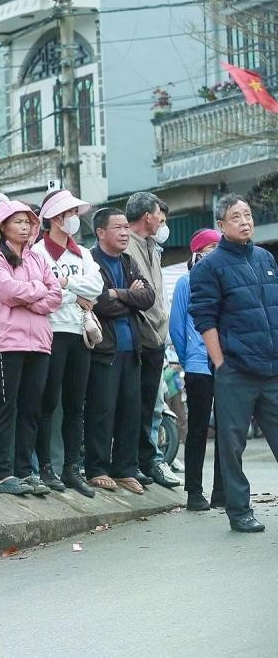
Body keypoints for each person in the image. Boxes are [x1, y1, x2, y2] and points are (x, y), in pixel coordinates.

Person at [190, 195, 278, 532]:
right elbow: (205, 318)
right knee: (232, 444)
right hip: (236, 371)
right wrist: (221, 364)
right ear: (221, 225)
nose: (245, 221)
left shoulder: (265, 257)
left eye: (248, 215)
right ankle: (239, 510)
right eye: (236, 216)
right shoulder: (209, 267)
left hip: (272, 369)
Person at [0, 201, 63, 496]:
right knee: (5, 407)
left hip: (39, 342)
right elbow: (6, 290)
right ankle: (3, 475)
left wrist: (30, 295)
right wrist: (36, 292)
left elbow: (55, 294)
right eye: (17, 221)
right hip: (6, 342)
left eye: (28, 222)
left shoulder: (38, 259)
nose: (25, 227)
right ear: (1, 226)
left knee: (31, 409)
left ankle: (25, 472)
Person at [31, 190, 104, 497]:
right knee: (47, 402)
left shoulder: (83, 253)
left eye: (75, 212)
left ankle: (72, 468)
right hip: (50, 331)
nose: (74, 218)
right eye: (69, 213)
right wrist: (75, 293)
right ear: (54, 218)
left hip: (78, 333)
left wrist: (66, 285)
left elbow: (97, 287)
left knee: (76, 403)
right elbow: (45, 294)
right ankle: (46, 467)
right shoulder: (37, 252)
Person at [86, 208, 156, 495]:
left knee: (131, 410)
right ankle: (97, 468)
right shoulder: (90, 260)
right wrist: (127, 296)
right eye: (118, 227)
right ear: (101, 232)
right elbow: (100, 302)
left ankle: (125, 468)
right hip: (104, 349)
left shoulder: (128, 261)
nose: (125, 232)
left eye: (127, 227)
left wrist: (119, 293)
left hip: (133, 349)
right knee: (102, 410)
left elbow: (148, 297)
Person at [124, 191, 181, 489]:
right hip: (139, 338)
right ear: (147, 216)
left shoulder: (152, 247)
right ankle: (139, 461)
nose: (161, 220)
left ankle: (151, 459)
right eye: (159, 214)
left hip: (157, 338)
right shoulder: (126, 247)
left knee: (152, 405)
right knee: (137, 405)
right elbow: (136, 297)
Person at [170, 228, 224, 511]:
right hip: (198, 365)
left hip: (227, 365)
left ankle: (222, 492)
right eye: (210, 248)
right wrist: (190, 357)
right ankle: (194, 491)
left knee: (228, 429)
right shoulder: (186, 282)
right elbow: (176, 328)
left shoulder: (226, 280)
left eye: (219, 247)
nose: (214, 253)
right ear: (197, 253)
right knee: (199, 429)